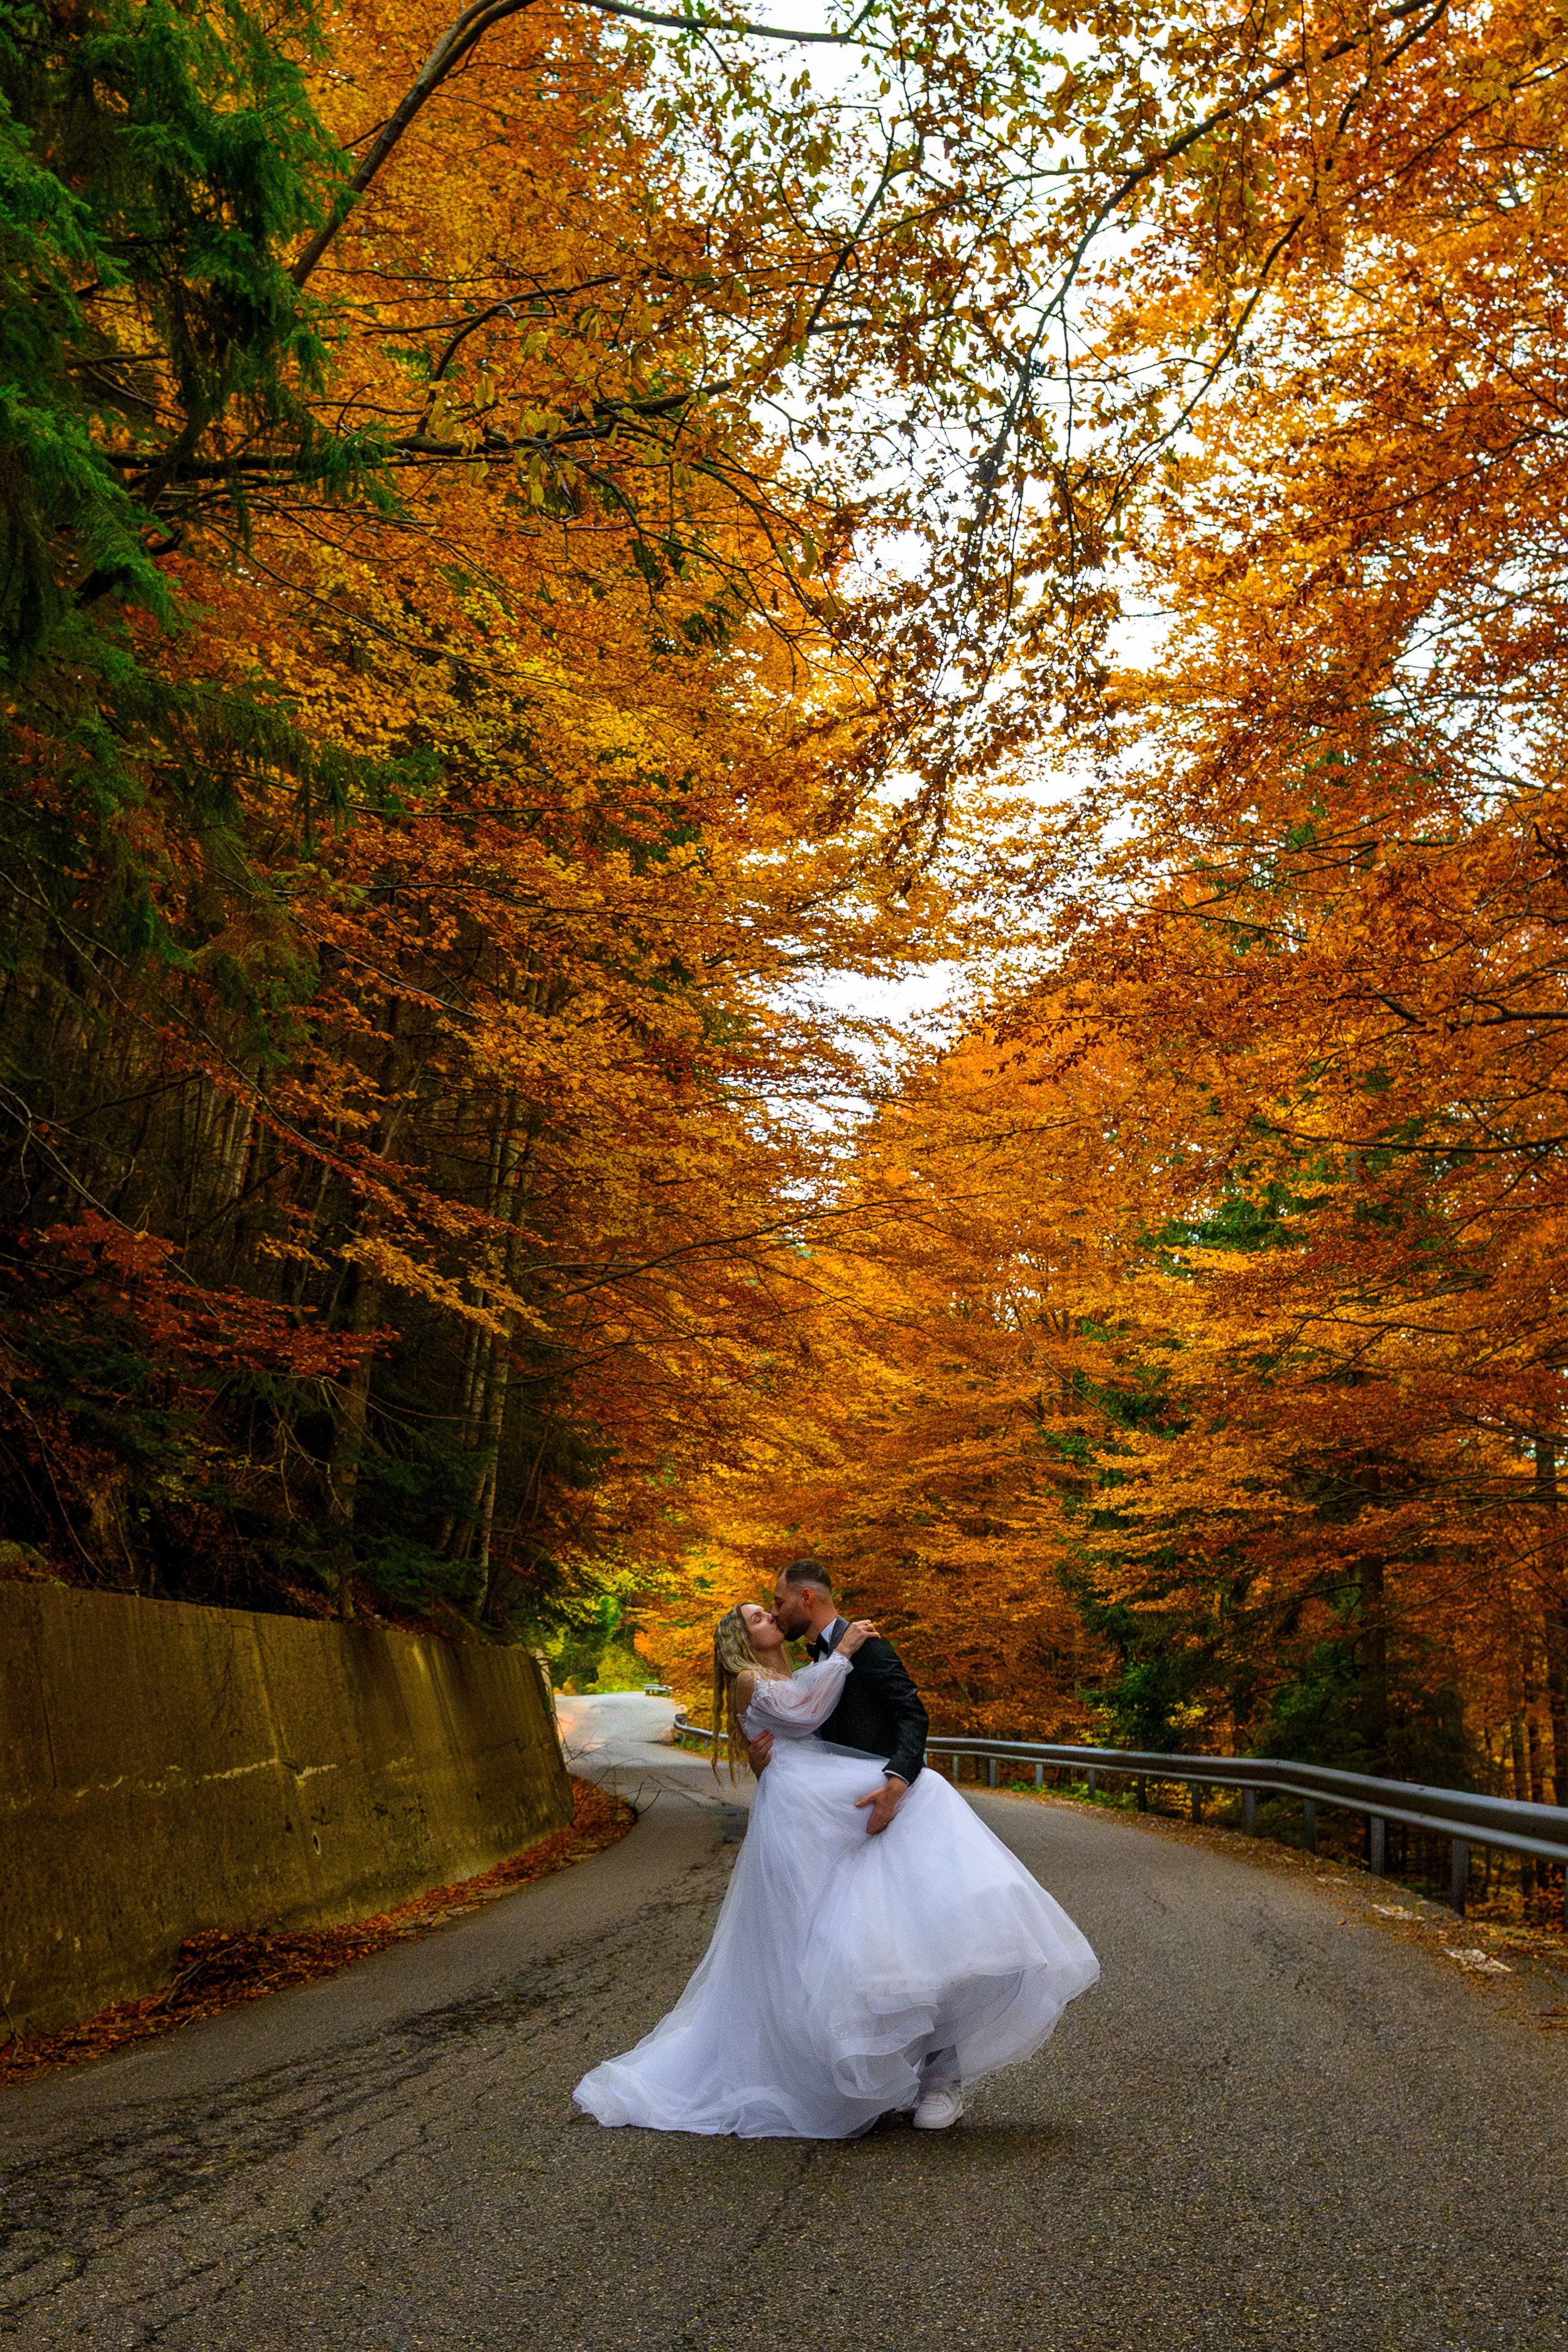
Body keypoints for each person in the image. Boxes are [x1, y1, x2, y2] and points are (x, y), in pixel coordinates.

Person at [573, 1566, 1099, 2141]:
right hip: (815, 1813)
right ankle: (843, 2076)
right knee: (826, 1943)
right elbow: (798, 1714)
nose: (772, 1614)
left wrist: (898, 1779)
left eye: (773, 1605)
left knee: (913, 1923)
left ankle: (931, 2075)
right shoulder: (799, 1667)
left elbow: (908, 1715)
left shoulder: (855, 1648)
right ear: (744, 1640)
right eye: (759, 1615)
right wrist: (795, 1708)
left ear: (805, 1599)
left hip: (856, 1799)